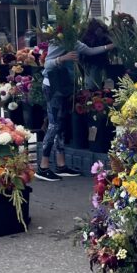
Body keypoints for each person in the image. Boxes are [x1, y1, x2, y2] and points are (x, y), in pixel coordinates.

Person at [36, 35, 116, 181]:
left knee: (60, 125)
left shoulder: (72, 40)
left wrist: (110, 46)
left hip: (64, 86)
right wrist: (63, 58)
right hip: (53, 86)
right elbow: (47, 64)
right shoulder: (57, 41)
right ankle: (43, 167)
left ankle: (61, 165)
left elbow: (89, 51)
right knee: (53, 125)